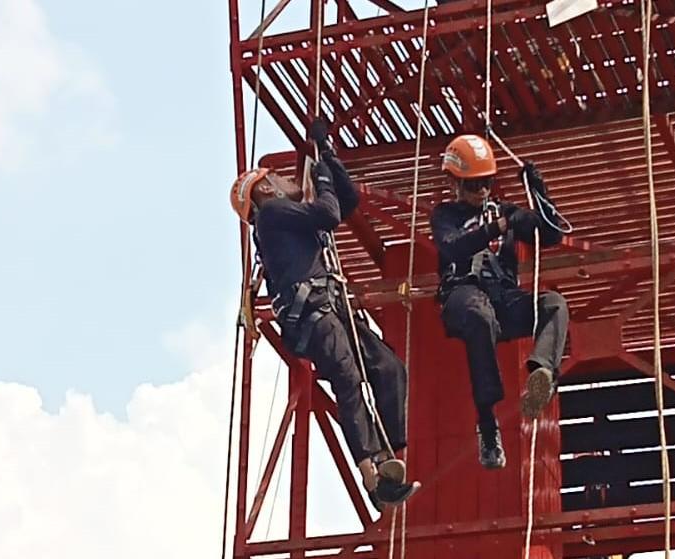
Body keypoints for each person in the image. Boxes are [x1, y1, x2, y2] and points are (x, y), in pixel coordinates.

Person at [229, 121, 419, 510]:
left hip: (330, 304)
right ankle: (370, 472)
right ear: (265, 190)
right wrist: (319, 175)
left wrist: (327, 153)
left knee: (388, 366)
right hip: (314, 313)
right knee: (349, 379)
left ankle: (393, 458)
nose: (284, 179)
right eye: (278, 178)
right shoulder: (272, 214)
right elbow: (331, 214)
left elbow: (345, 202)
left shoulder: (287, 216)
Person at [430, 134, 569, 469]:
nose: (482, 191)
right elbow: (453, 247)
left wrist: (539, 193)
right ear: (455, 182)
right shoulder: (444, 216)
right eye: (475, 185)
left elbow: (550, 233)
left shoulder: (505, 212)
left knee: (554, 304)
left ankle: (542, 375)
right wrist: (496, 228)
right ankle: (488, 426)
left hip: (504, 299)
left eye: (487, 183)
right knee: (478, 317)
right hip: (462, 296)